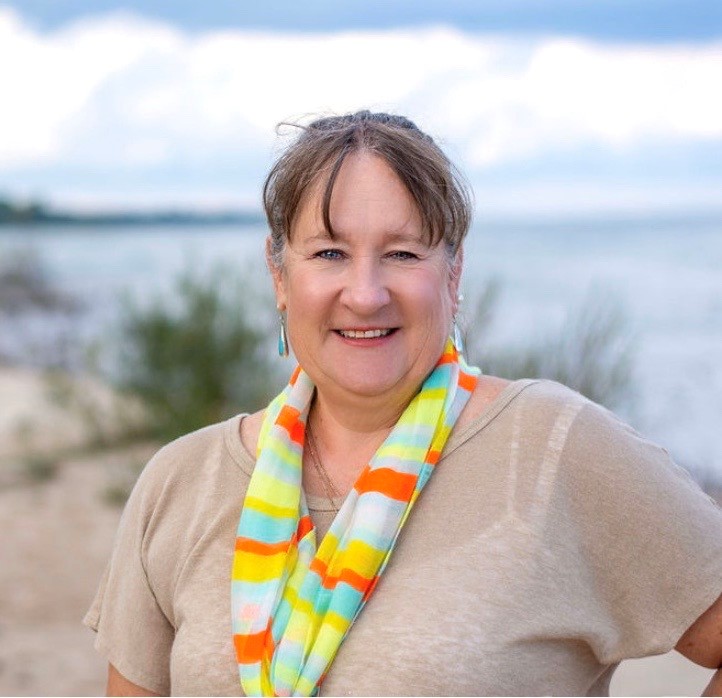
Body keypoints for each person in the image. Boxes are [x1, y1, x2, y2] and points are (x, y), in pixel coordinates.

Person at [85, 111, 722, 697]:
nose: (365, 294)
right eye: (329, 253)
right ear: (279, 275)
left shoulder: (556, 447)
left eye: (402, 254)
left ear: (453, 273)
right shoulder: (181, 482)